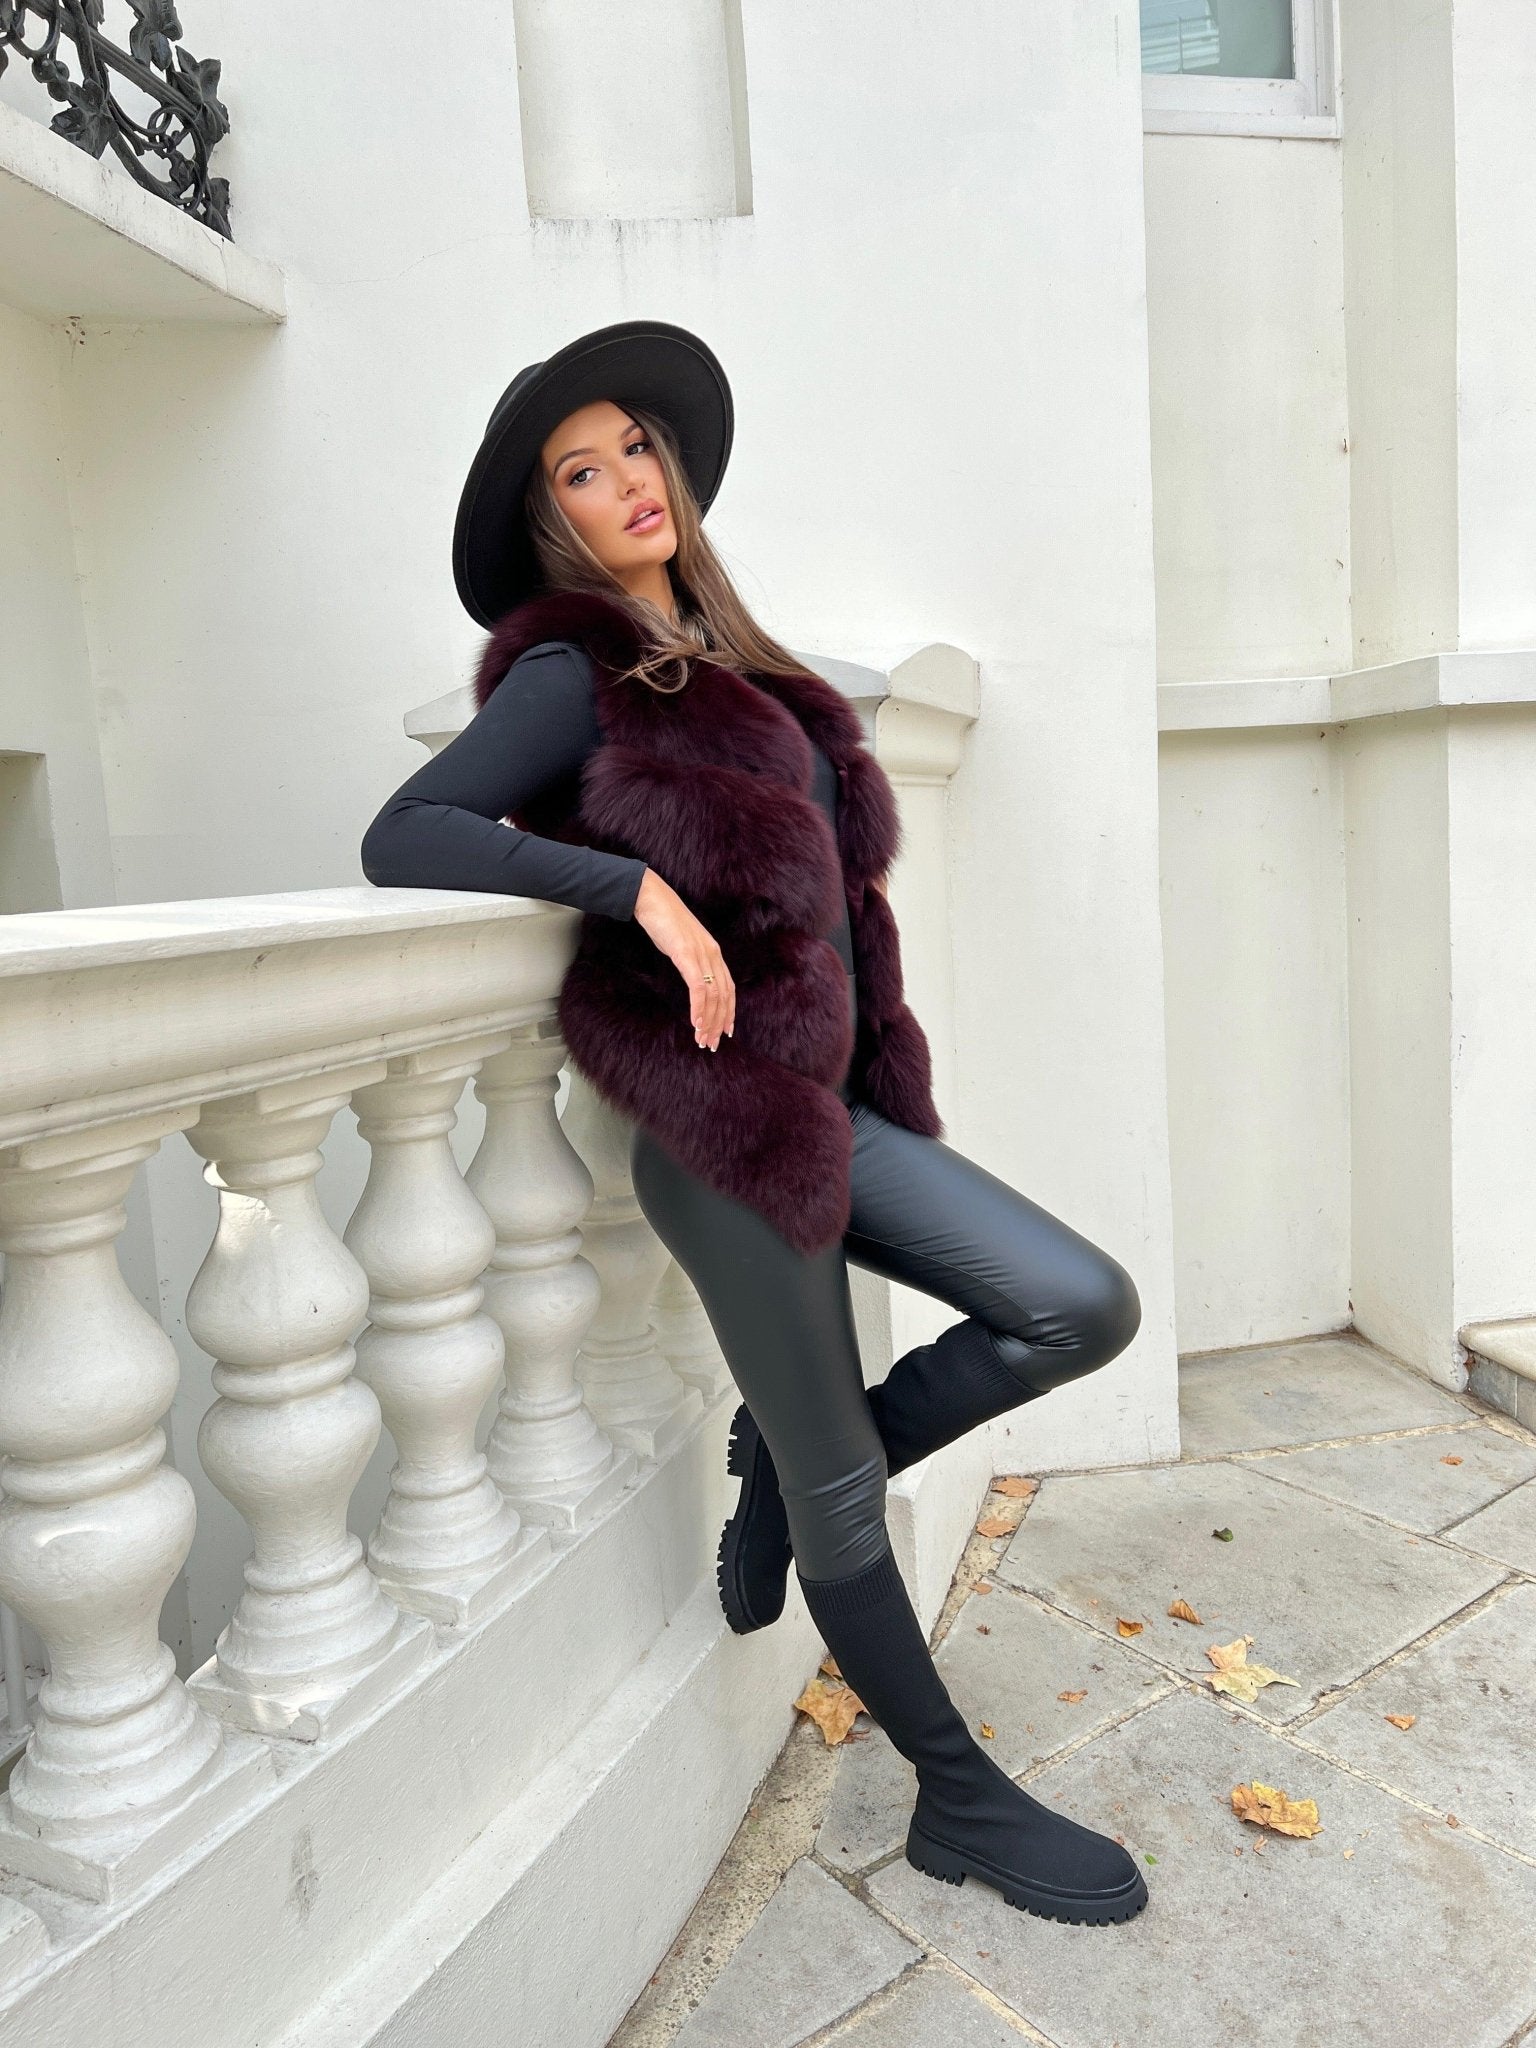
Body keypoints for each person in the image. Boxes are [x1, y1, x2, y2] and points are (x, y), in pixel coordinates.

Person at [361, 319, 1148, 1927]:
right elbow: (406, 832)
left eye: (634, 449)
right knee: (850, 1482)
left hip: (838, 1109)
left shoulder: (748, 674)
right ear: (552, 521)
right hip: (723, 1136)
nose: (626, 482)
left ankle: (786, 1474)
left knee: (1080, 1304)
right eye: (581, 474)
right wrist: (627, 888)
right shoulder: (573, 675)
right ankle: (957, 1799)